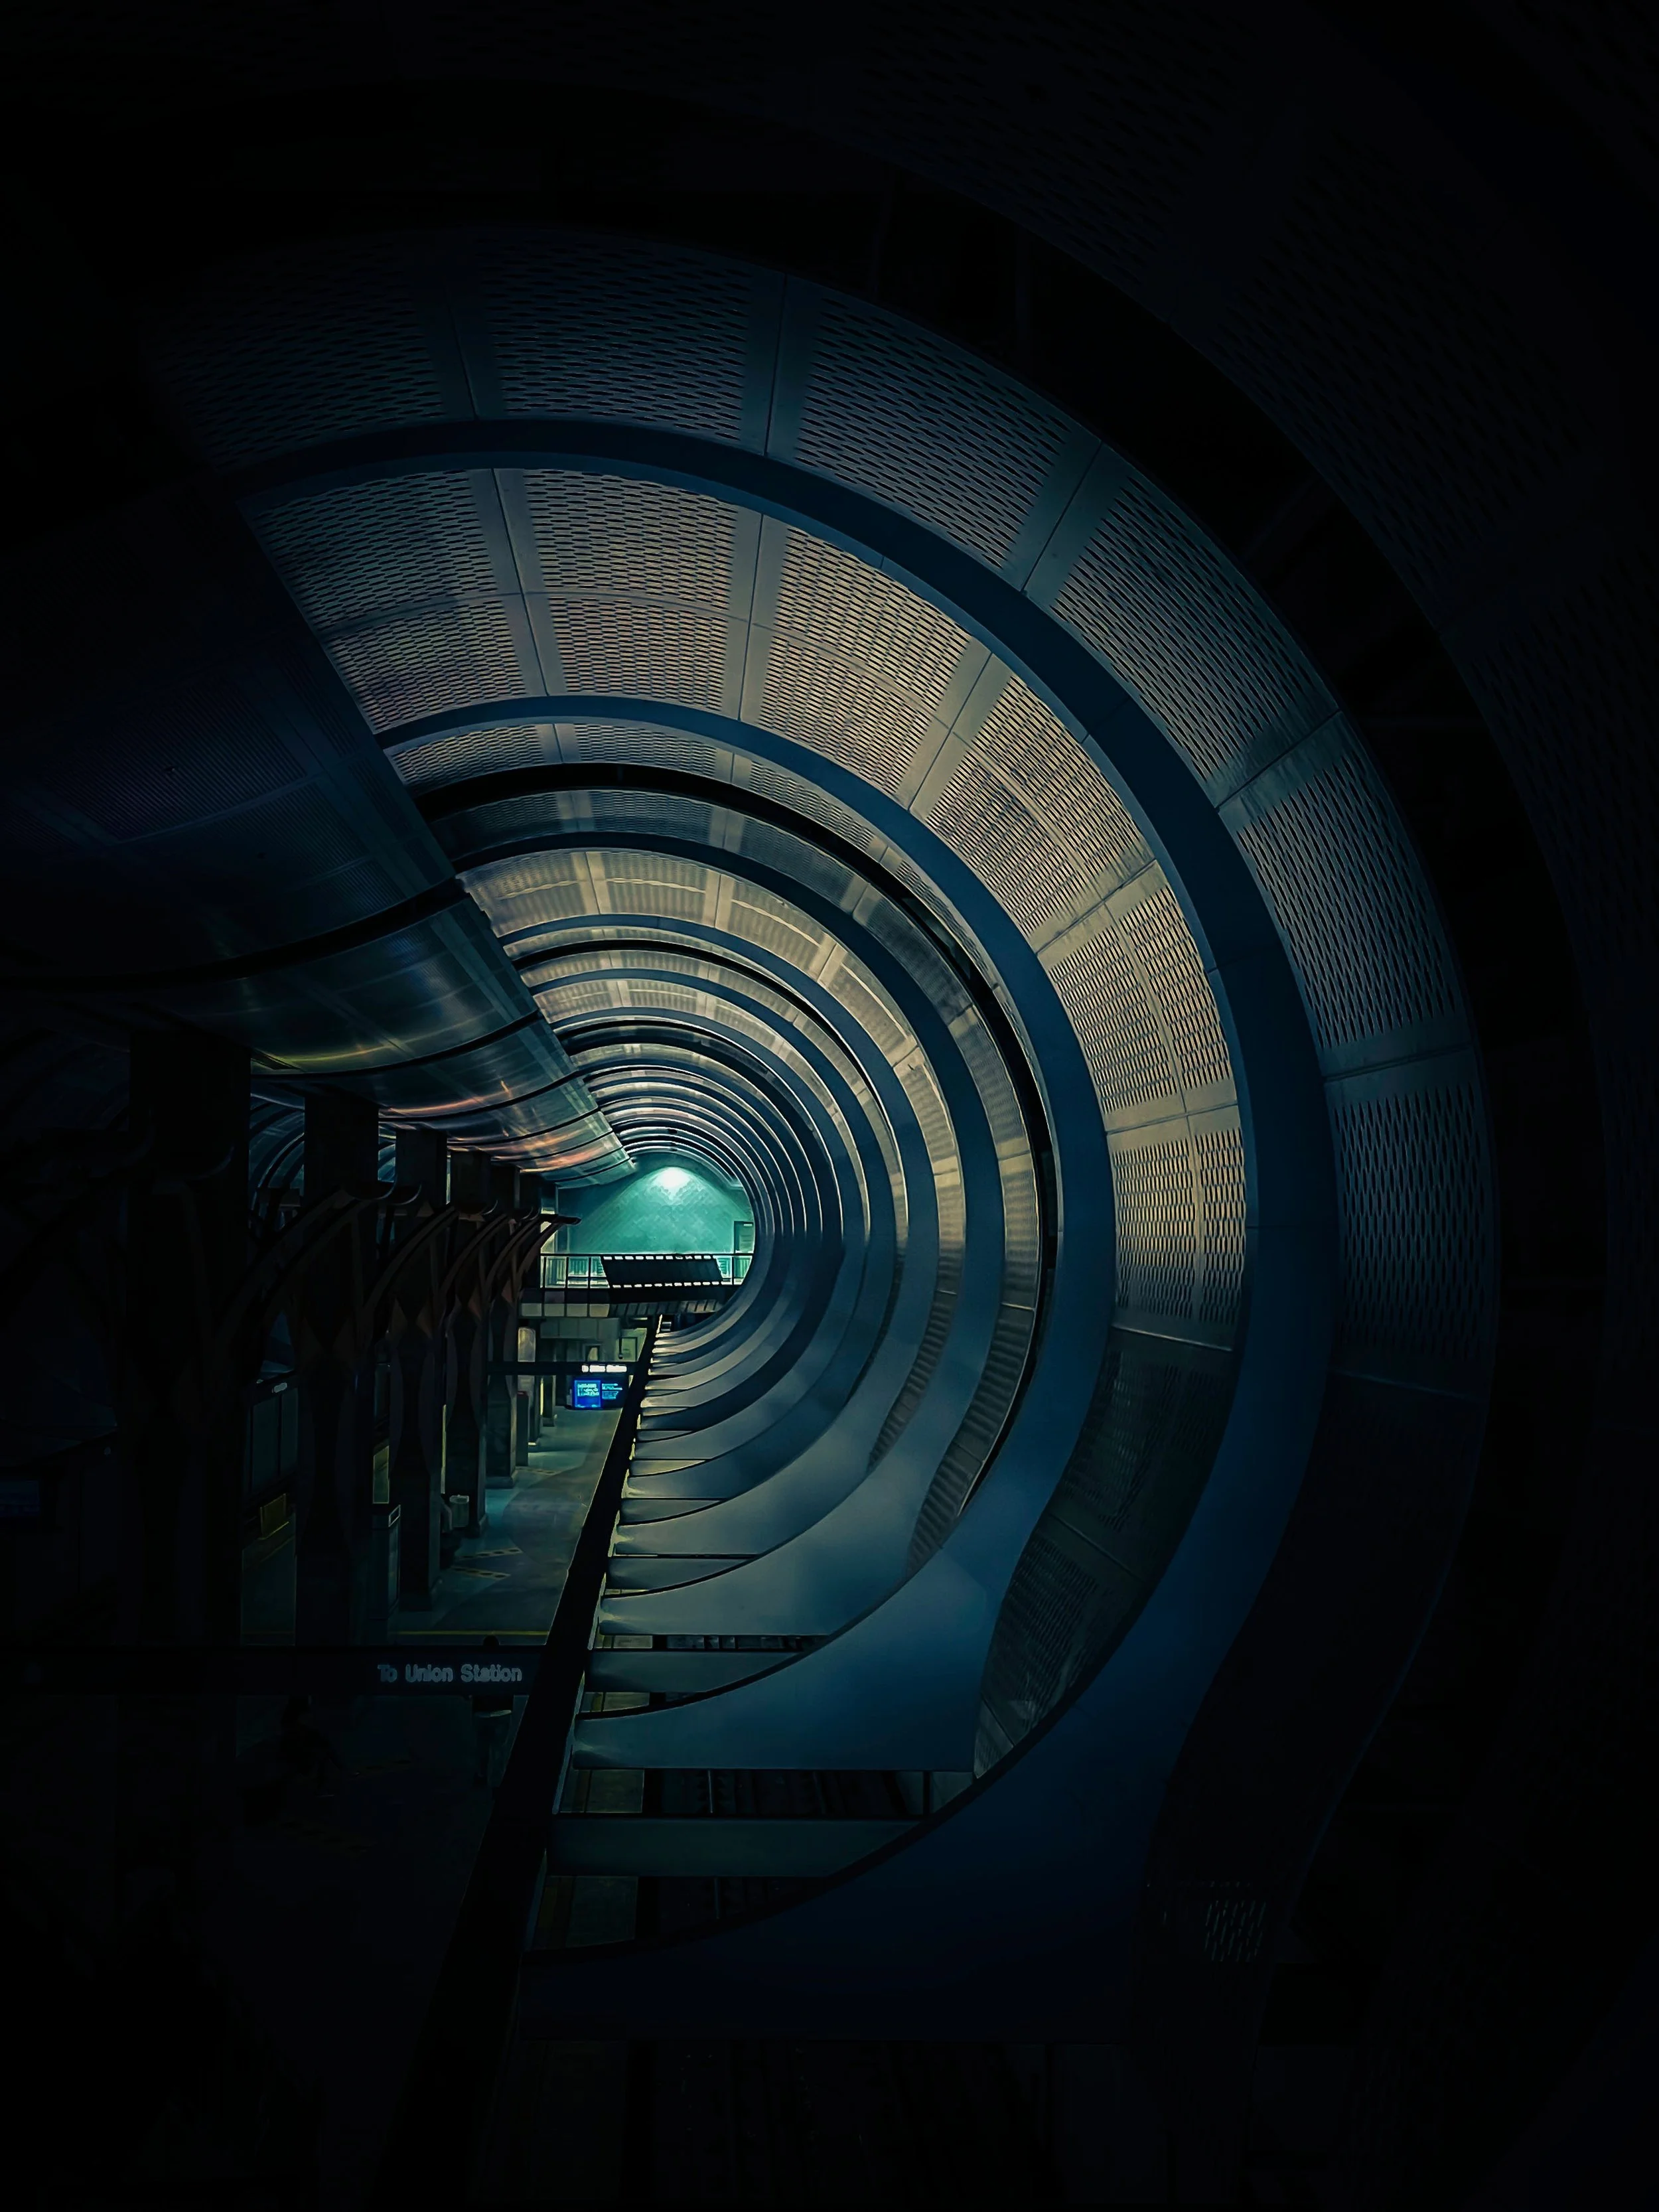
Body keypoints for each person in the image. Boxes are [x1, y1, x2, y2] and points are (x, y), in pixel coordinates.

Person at [471, 1635, 514, 1791]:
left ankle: (481, 1776)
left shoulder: (476, 1664)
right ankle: (497, 1783)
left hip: (481, 1713)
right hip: (503, 1712)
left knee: (482, 1747)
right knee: (499, 1749)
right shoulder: (507, 1663)